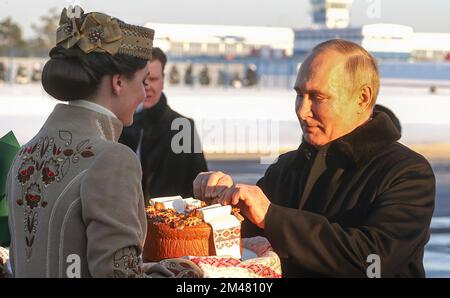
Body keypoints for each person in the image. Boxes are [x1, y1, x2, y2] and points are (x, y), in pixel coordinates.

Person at [193, 39, 435, 278]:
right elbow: (238, 244)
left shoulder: (407, 173)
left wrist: (272, 217)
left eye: (317, 98)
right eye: (300, 94)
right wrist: (217, 206)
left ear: (362, 98)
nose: (302, 111)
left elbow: (374, 260)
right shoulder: (286, 168)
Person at [5, 7, 173, 278]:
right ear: (118, 82)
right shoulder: (112, 158)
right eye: (142, 81)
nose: (144, 93)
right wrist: (189, 274)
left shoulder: (25, 153)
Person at [119, 47, 208, 200]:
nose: (147, 86)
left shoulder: (182, 127)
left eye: (153, 79)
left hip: (173, 220)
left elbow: (199, 187)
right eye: (142, 80)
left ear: (163, 80)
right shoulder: (121, 126)